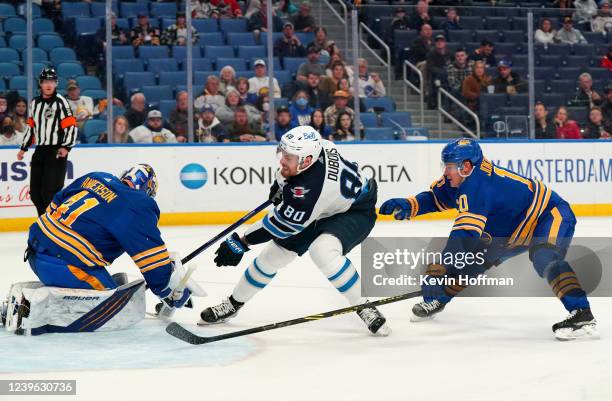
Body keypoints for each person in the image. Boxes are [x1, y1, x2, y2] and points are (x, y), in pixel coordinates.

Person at [379, 138, 597, 340]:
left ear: (466, 167)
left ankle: (582, 313)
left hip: (547, 215)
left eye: (450, 167)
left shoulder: (479, 187)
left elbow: (463, 237)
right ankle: (438, 299)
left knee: (544, 257)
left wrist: (438, 270)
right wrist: (411, 205)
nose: (445, 172)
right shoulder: (462, 177)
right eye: (444, 166)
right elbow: (437, 198)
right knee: (471, 264)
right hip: (510, 231)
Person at [198, 127, 390, 336]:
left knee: (322, 251)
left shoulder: (310, 191)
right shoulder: (319, 148)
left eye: (289, 157)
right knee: (272, 257)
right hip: (327, 206)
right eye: (284, 153)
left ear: (306, 161)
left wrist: (241, 242)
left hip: (355, 210)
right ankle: (233, 304)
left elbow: (280, 224)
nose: (282, 160)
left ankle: (363, 306)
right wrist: (279, 186)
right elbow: (293, 175)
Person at [5, 165, 197, 335]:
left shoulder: (96, 177)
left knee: (102, 281)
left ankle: (29, 301)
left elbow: (55, 203)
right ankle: (33, 314)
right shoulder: (138, 204)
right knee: (112, 307)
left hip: (34, 248)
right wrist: (166, 289)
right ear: (148, 190)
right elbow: (151, 258)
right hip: (65, 264)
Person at [17, 68, 77, 217]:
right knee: (35, 194)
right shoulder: (35, 103)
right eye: (45, 81)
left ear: (56, 84)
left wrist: (66, 146)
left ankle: (51, 223)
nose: (48, 85)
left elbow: (71, 125)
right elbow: (31, 126)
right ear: (41, 84)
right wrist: (24, 148)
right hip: (40, 150)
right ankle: (44, 222)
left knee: (49, 192)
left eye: (51, 81)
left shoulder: (61, 102)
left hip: (56, 151)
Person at [425, 34, 451, 108]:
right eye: (437, 41)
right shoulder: (431, 54)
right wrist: (441, 72)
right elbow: (430, 67)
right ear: (435, 43)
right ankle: (434, 102)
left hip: (447, 75)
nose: (439, 43)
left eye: (441, 41)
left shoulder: (449, 54)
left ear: (444, 43)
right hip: (435, 76)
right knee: (436, 80)